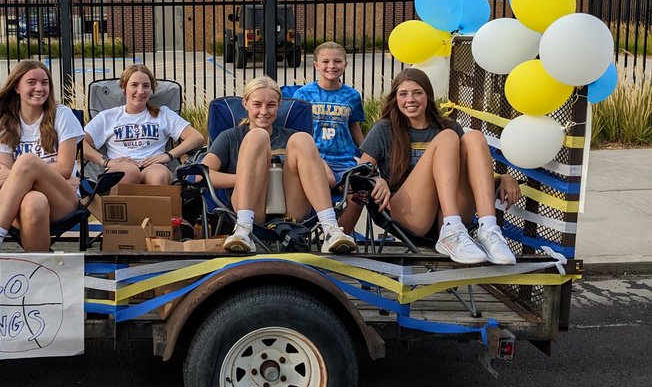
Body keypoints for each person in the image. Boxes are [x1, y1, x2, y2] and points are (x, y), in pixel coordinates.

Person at [356, 67, 520, 265]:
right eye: (403, 94)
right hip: (411, 216)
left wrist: (503, 178)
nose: (410, 100)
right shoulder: (384, 128)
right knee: (448, 138)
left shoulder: (449, 125)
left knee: (474, 137)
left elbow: (464, 178)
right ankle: (450, 229)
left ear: (428, 96)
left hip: (453, 215)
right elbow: (360, 173)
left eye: (417, 93)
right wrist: (376, 178)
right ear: (395, 99)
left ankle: (489, 229)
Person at [200, 75, 356, 255]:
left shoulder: (292, 137)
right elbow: (201, 174)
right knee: (257, 137)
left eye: (271, 105)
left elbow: (328, 178)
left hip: (292, 210)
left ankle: (330, 230)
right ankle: (243, 230)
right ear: (245, 104)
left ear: (279, 106)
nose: (264, 111)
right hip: (251, 210)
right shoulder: (230, 136)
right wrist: (248, 178)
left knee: (302, 138)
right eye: (257, 104)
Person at [0, 60, 85, 253]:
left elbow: (65, 169)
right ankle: (40, 275)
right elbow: (0, 180)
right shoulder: (5, 124)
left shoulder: (62, 115)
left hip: (63, 200)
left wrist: (24, 172)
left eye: (45, 83)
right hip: (18, 204)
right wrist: (27, 175)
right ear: (17, 86)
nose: (39, 88)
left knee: (27, 161)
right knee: (34, 201)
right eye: (31, 82)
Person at [82, 64, 203, 185]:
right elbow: (80, 143)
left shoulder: (163, 114)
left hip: (154, 167)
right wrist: (106, 162)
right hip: (121, 167)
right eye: (134, 85)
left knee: (159, 176)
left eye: (146, 86)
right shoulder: (108, 116)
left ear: (151, 90)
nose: (140, 91)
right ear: (124, 87)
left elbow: (196, 138)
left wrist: (168, 156)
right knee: (129, 172)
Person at [295, 41, 365, 186]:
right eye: (325, 61)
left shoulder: (352, 95)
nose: (332, 66)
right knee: (329, 182)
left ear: (345, 65)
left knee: (359, 192)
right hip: (315, 157)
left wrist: (364, 152)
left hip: (344, 159)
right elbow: (294, 129)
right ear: (316, 65)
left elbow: (353, 125)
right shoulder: (303, 94)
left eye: (337, 61)